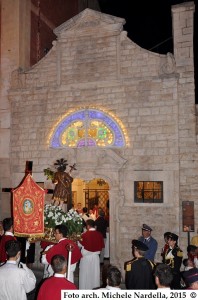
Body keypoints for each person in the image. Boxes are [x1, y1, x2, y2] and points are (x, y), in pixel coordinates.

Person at [78, 219, 105, 289]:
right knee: (94, 275)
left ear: (88, 226)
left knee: (85, 275)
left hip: (86, 258)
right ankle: (94, 290)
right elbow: (101, 247)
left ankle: (84, 290)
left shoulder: (83, 235)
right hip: (95, 258)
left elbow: (79, 245)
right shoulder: (99, 234)